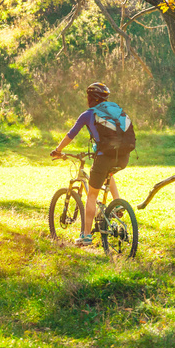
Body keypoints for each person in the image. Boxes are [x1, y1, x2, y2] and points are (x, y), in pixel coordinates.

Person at [50, 82, 131, 246]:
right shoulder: (115, 112)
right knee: (109, 174)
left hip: (104, 157)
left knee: (92, 195)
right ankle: (117, 204)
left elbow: (71, 134)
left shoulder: (88, 114)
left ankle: (86, 236)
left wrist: (58, 150)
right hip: (123, 157)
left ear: (91, 98)